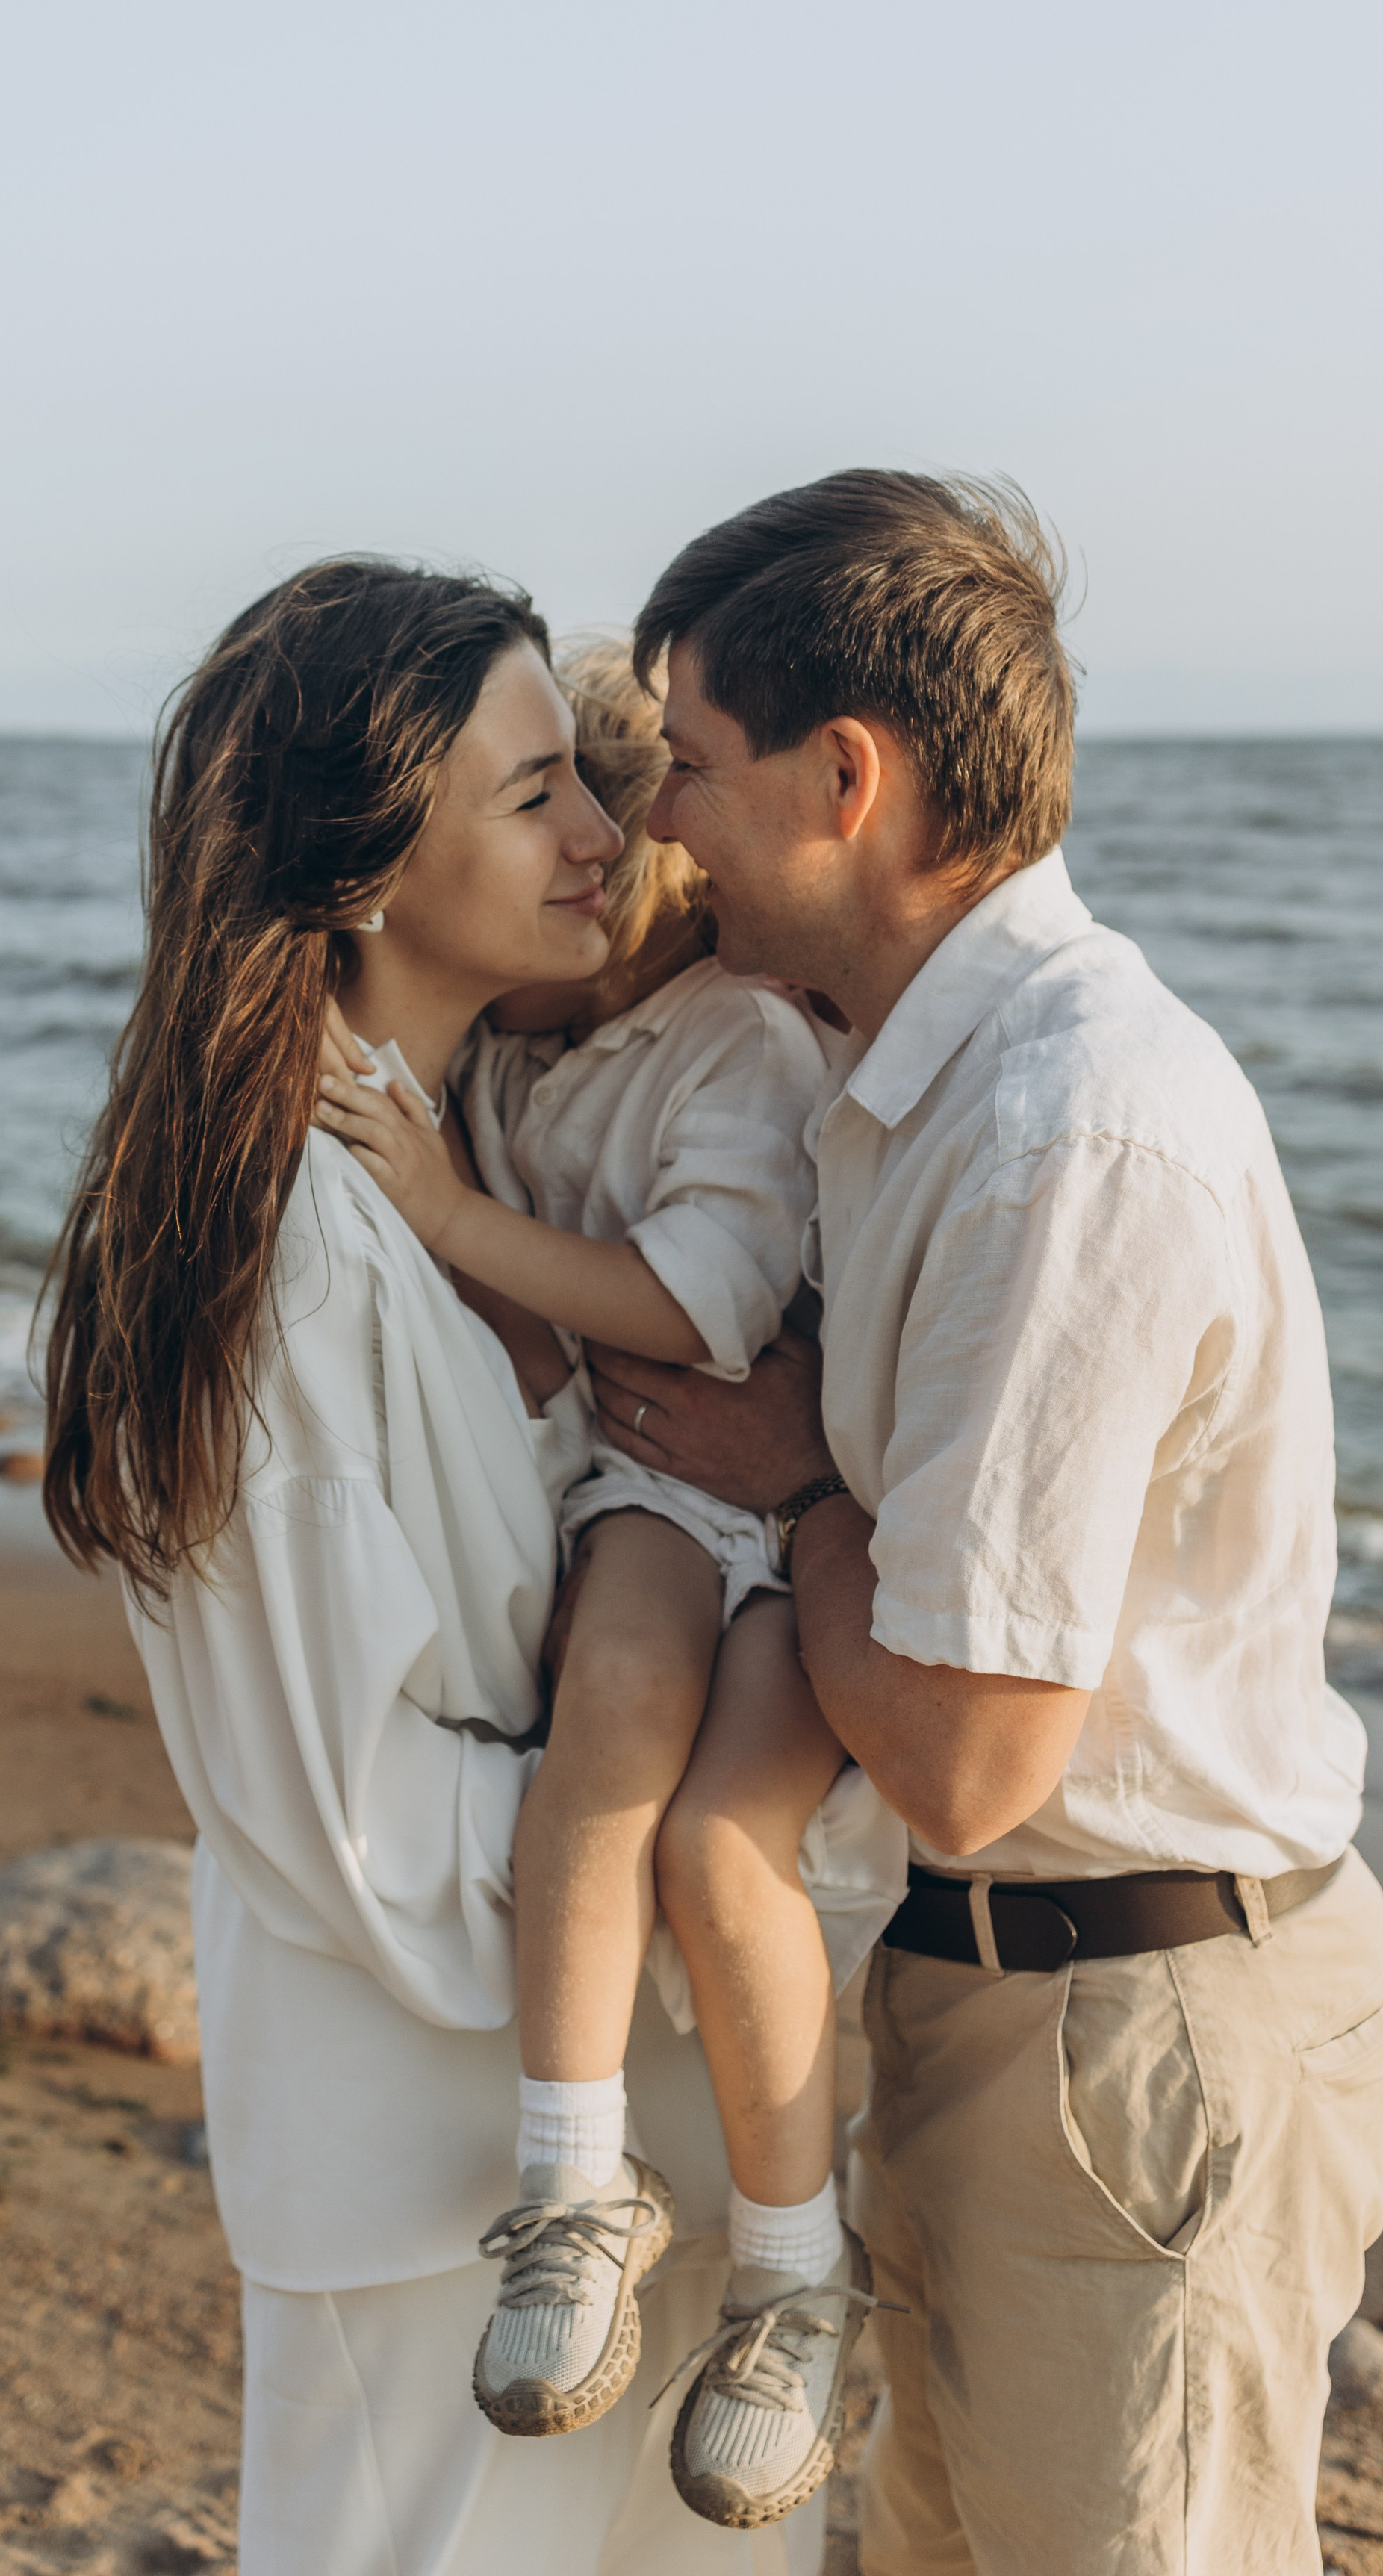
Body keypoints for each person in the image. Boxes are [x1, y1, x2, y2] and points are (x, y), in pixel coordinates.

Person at [585, 470, 1383, 2576]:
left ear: (843, 779)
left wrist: (795, 1479)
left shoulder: (1065, 1136)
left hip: (1135, 2030)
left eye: (689, 762)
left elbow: (965, 1760)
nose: (658, 820)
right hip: (1007, 1999)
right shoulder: (899, 1072)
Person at [42, 560, 830, 2576]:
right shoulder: (295, 1242)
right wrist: (718, 1880)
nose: (611, 834)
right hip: (434, 2169)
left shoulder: (475, 1140)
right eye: (535, 792)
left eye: (594, 781)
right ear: (369, 863)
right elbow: (345, 1808)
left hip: (597, 2144)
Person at [317, 642, 905, 2533]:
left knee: (725, 1848)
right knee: (608, 1746)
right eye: (545, 821)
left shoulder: (736, 1039)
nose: (580, 861)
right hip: (643, 1487)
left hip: (774, 1494)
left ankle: (793, 2278)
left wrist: (443, 1213)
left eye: (607, 830)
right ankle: (574, 2186)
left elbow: (699, 1309)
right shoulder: (518, 1044)